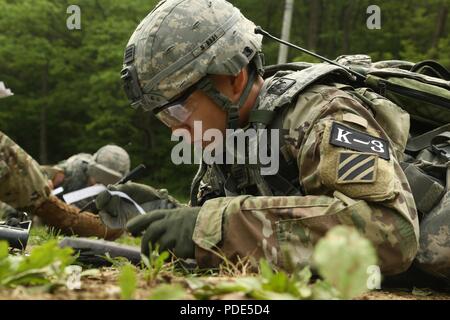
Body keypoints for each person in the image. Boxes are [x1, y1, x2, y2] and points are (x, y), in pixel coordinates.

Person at [95, 0, 419, 275]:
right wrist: (170, 215)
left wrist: (214, 227)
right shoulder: (228, 139)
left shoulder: (322, 114)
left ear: (233, 78)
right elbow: (239, 224)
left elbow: (391, 231)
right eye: (164, 118)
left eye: (178, 111)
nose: (176, 131)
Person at [0, 83, 123, 240]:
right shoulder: (73, 170)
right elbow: (40, 193)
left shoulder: (110, 195)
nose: (97, 184)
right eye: (99, 177)